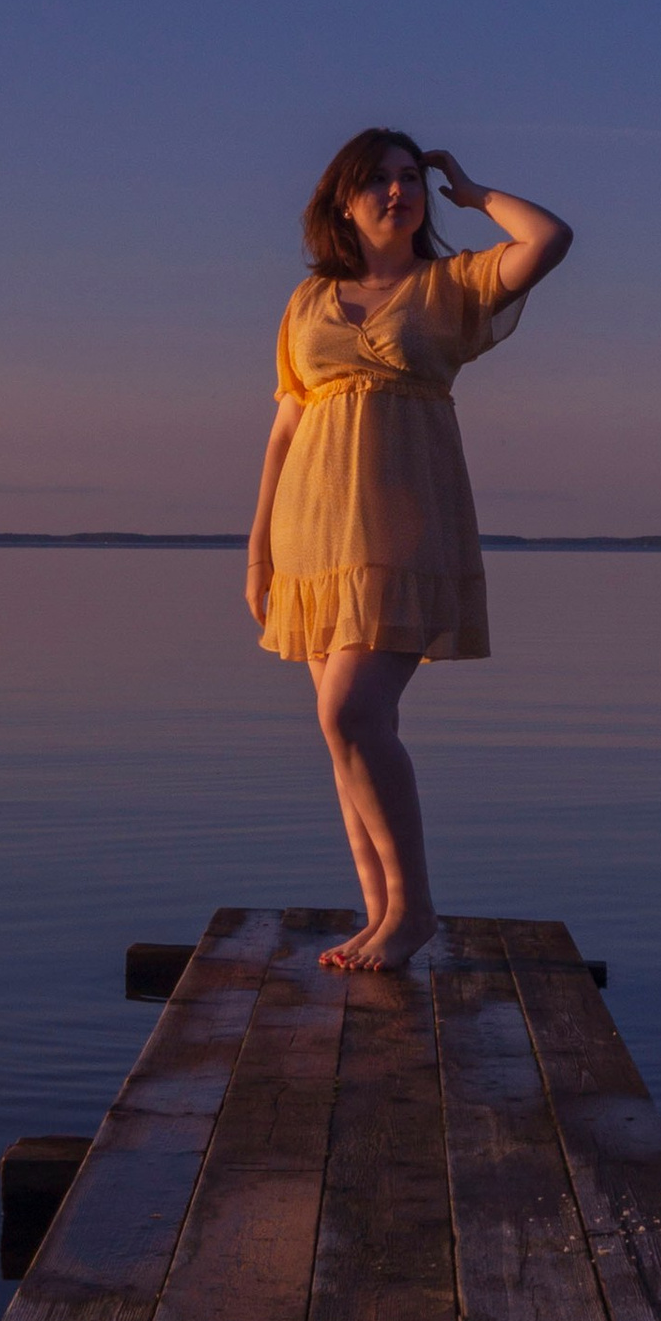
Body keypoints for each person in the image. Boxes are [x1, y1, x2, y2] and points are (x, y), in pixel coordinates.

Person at [247, 132, 572, 970]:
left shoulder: (449, 285)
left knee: (349, 713)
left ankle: (415, 908)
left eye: (409, 179)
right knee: (350, 730)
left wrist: (468, 189)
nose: (400, 192)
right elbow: (285, 427)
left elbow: (549, 239)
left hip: (405, 527)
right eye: (380, 181)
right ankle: (378, 913)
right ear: (342, 202)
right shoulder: (306, 301)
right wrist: (258, 554)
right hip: (311, 535)